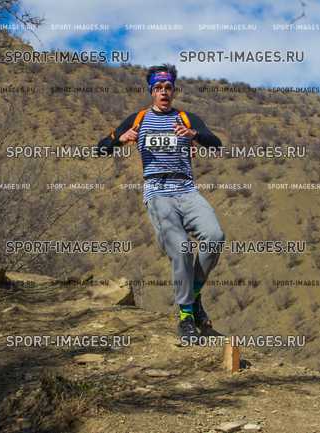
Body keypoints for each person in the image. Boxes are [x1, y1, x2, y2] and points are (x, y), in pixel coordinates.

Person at [97, 64, 225, 338]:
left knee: (215, 236)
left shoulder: (186, 118)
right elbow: (100, 148)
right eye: (158, 88)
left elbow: (216, 144)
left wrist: (194, 135)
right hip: (157, 192)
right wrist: (119, 140)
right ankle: (186, 315)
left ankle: (193, 294)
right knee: (181, 249)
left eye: (168, 87)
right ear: (151, 92)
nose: (163, 92)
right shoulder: (139, 118)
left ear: (174, 91)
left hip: (187, 189)